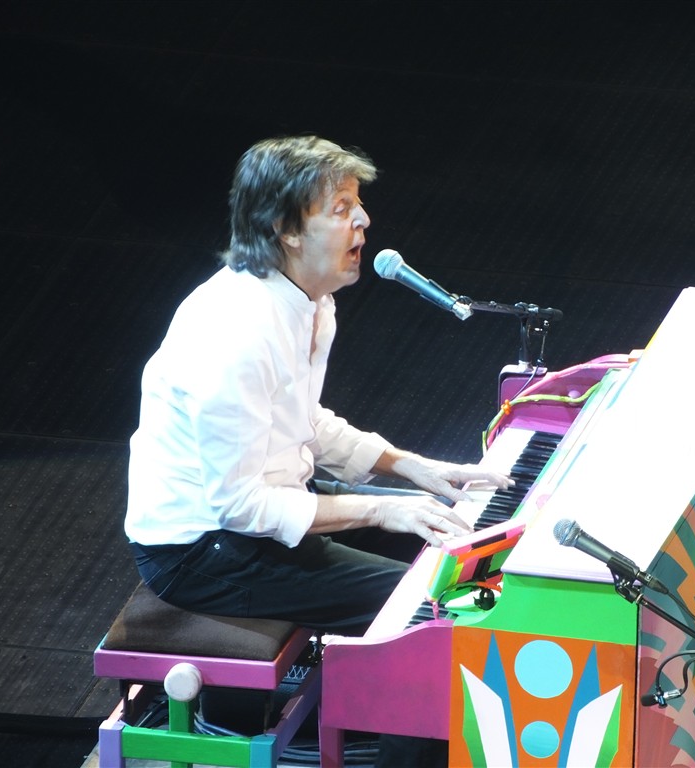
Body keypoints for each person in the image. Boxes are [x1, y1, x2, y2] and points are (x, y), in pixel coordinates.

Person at [124, 135, 510, 763]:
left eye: (358, 203)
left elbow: (305, 423)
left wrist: (410, 468)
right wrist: (380, 507)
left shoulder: (309, 300)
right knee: (435, 616)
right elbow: (239, 507)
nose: (364, 220)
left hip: (263, 505)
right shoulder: (236, 336)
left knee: (456, 548)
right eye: (341, 208)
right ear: (286, 230)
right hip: (201, 552)